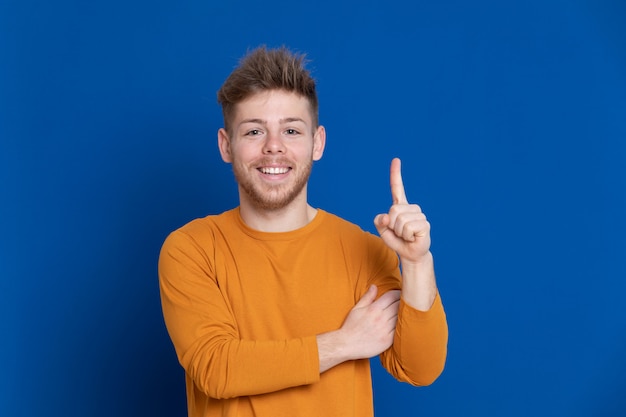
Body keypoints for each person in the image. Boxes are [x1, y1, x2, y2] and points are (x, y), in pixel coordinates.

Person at [158, 46, 448, 417]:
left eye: (291, 130)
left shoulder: (360, 249)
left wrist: (417, 263)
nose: (273, 147)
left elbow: (420, 368)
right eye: (254, 131)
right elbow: (217, 368)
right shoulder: (191, 249)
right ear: (226, 145)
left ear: (318, 143)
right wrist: (343, 344)